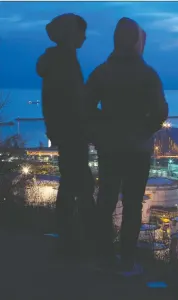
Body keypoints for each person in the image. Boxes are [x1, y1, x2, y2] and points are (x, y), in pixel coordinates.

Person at [86, 17, 168, 274]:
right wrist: (143, 129)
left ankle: (104, 257)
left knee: (106, 200)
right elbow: (160, 111)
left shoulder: (101, 72)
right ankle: (127, 261)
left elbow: (84, 107)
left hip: (109, 147)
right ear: (136, 41)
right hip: (137, 149)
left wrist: (102, 130)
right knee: (133, 205)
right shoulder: (147, 74)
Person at [36, 13, 96, 259]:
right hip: (73, 132)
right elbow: (72, 101)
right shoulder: (65, 62)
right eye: (82, 31)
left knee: (72, 182)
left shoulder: (60, 60)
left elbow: (55, 101)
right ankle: (87, 239)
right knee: (81, 183)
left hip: (66, 132)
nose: (85, 36)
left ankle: (70, 235)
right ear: (72, 34)